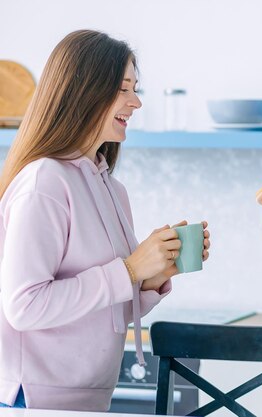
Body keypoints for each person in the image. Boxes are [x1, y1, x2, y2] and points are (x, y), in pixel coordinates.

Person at [0, 30, 210, 411]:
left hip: (92, 394)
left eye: (135, 88)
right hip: (35, 400)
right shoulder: (43, 182)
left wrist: (154, 276)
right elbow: (24, 306)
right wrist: (130, 269)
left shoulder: (112, 189)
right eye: (123, 88)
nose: (136, 102)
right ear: (84, 92)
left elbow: (108, 307)